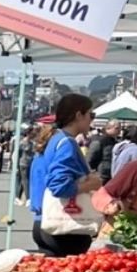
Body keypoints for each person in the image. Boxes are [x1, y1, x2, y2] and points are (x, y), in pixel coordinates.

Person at [30, 94, 102, 256]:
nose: (92, 120)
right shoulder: (67, 143)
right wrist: (89, 185)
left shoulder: (53, 139)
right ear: (79, 115)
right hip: (65, 227)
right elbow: (58, 185)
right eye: (91, 115)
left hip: (44, 221)